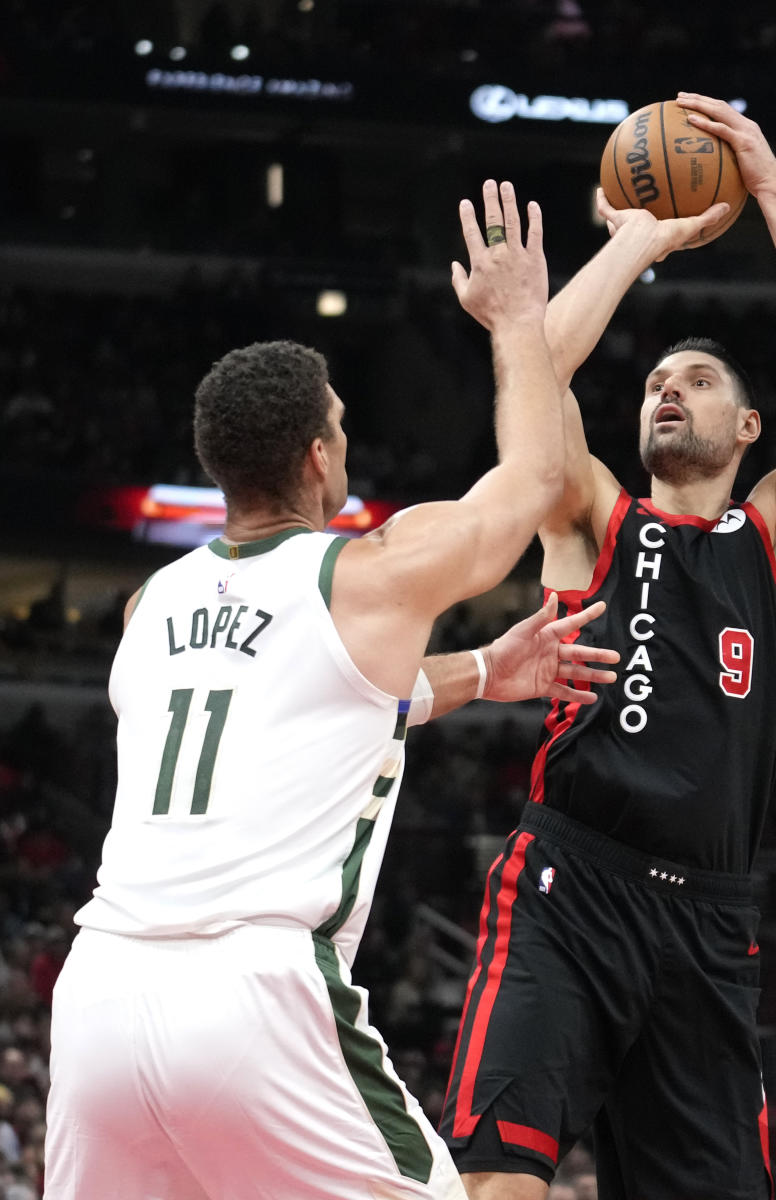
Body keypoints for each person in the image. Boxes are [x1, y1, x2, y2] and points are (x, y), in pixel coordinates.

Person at [42, 180, 717, 1200]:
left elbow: (302, 704)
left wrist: (487, 671)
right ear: (319, 456)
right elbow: (536, 477)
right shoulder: (366, 572)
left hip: (98, 992)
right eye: (343, 427)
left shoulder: (150, 608)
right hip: (253, 989)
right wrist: (517, 322)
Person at [439, 94, 776, 1200]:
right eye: (653, 383)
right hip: (567, 889)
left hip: (708, 921)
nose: (666, 388)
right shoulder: (589, 513)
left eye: (696, 382)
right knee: (499, 1184)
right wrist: (636, 238)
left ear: (748, 431)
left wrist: (766, 178)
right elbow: (533, 377)